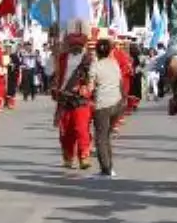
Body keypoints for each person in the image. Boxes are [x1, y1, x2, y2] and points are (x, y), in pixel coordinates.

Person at [53, 19, 95, 170]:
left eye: (79, 43)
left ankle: (84, 156)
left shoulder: (89, 58)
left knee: (81, 129)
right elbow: (58, 76)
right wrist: (55, 88)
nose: (75, 46)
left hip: (81, 99)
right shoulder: (62, 58)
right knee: (65, 131)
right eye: (72, 43)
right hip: (64, 98)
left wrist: (87, 88)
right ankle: (68, 157)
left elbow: (93, 78)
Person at [90, 30, 125, 178]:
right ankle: (109, 166)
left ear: (97, 52)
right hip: (116, 104)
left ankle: (106, 169)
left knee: (100, 138)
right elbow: (120, 82)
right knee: (106, 136)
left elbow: (90, 87)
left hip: (102, 105)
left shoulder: (95, 66)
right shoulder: (114, 63)